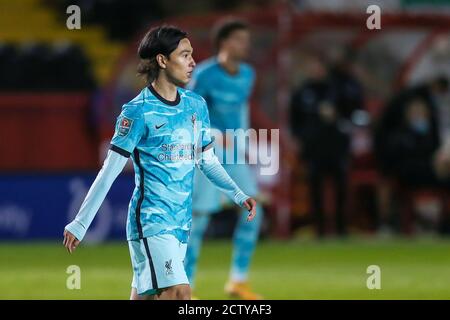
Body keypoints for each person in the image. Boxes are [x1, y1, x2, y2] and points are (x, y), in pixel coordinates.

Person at [62, 25, 257, 300]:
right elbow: (110, 171)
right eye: (185, 55)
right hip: (152, 221)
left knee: (147, 297)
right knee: (180, 295)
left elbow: (208, 161)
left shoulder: (196, 105)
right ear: (162, 60)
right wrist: (80, 224)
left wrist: (238, 194)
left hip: (180, 222)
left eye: (192, 55)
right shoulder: (137, 111)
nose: (192, 62)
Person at [184, 19, 264, 300]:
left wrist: (244, 142)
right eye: (241, 40)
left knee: (253, 210)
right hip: (207, 152)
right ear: (225, 42)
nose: (246, 45)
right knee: (199, 219)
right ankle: (186, 288)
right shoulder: (204, 74)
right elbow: (189, 113)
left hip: (233, 153)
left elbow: (240, 110)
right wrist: (216, 135)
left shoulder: (247, 75)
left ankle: (238, 281)